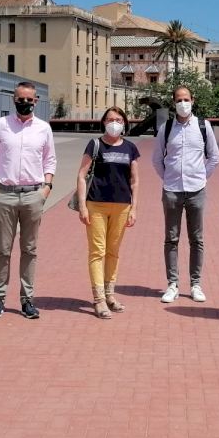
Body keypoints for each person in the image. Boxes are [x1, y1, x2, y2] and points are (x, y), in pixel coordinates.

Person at [0, 81, 56, 320]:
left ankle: (27, 299)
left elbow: (50, 160)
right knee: (2, 250)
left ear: (36, 101)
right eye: (20, 99)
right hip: (5, 194)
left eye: (29, 99)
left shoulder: (44, 128)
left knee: (30, 249)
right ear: (13, 99)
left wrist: (46, 188)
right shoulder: (1, 125)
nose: (24, 103)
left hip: (33, 195)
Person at [152, 85, 219, 304]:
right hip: (172, 191)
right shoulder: (166, 128)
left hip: (196, 191)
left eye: (186, 99)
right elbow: (156, 159)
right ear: (174, 103)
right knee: (171, 239)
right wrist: (167, 178)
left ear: (193, 100)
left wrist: (202, 177)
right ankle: (172, 284)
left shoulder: (203, 126)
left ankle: (195, 284)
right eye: (179, 100)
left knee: (196, 239)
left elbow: (214, 157)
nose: (183, 103)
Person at [76, 107, 140, 318]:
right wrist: (82, 206)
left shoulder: (130, 148)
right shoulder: (95, 145)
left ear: (124, 123)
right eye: (110, 119)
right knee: (97, 251)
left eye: (119, 120)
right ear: (103, 122)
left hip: (122, 206)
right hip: (96, 205)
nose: (114, 123)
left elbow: (134, 180)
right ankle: (99, 299)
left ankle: (110, 294)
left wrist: (134, 208)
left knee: (113, 251)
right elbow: (82, 175)